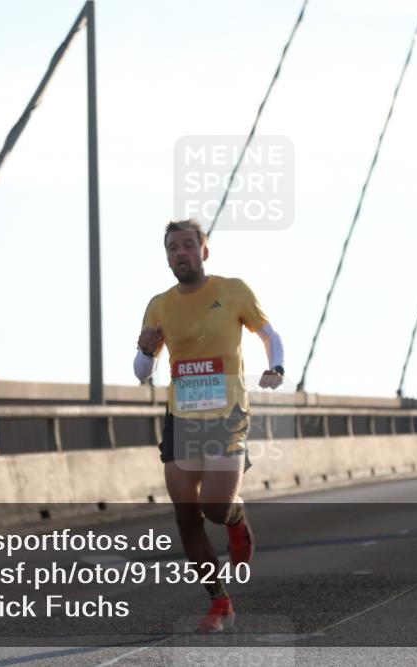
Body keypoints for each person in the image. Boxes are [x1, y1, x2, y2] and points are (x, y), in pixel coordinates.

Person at [134, 219, 285, 633]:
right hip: (182, 417)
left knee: (214, 508)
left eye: (187, 245)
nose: (179, 253)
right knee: (186, 515)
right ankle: (220, 602)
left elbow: (268, 333)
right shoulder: (159, 305)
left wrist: (276, 366)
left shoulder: (232, 290)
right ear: (167, 257)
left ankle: (236, 520)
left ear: (204, 251)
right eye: (171, 248)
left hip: (227, 415)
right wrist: (145, 354)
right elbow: (142, 372)